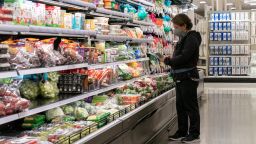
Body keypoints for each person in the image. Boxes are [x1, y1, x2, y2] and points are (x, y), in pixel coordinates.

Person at [164, 13, 201, 143]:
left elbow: (185, 57)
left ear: (184, 26)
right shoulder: (183, 38)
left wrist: (171, 61)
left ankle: (195, 134)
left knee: (191, 107)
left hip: (189, 77)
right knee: (180, 106)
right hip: (181, 77)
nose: (174, 30)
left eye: (176, 27)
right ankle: (182, 131)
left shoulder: (192, 38)